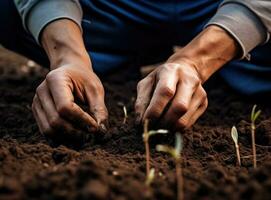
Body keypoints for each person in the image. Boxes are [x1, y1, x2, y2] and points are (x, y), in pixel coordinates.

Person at [0, 0, 270, 139]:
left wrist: (196, 61)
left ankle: (227, 58)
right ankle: (99, 60)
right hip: (107, 10)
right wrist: (67, 56)